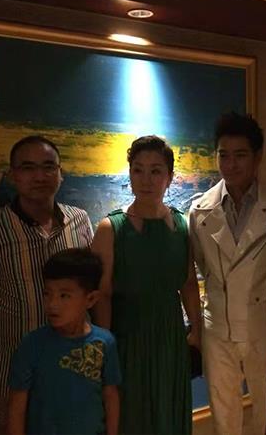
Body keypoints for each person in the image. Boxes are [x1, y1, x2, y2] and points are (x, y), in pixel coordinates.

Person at [0, 135, 93, 433]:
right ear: (12, 175)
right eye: (28, 168)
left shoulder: (80, 221)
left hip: (74, 367)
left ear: (60, 173)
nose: (40, 176)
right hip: (15, 373)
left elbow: (91, 291)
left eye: (48, 167)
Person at [92, 135, 201, 435]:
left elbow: (188, 284)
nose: (146, 179)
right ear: (129, 174)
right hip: (127, 337)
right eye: (138, 170)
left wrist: (197, 332)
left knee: (169, 412)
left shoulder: (182, 225)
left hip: (170, 337)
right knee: (132, 416)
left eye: (155, 171)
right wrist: (104, 347)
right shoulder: (110, 228)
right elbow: (102, 295)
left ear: (169, 177)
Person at [188, 112, 266, 435]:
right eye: (224, 155)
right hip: (218, 326)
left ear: (257, 157)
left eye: (240, 155)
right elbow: (201, 267)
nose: (231, 164)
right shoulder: (199, 210)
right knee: (224, 415)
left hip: (264, 325)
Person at [7, 248, 121, 435]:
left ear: (90, 299)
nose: (52, 304)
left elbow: (110, 396)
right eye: (47, 294)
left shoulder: (105, 343)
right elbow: (16, 408)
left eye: (64, 295)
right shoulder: (32, 345)